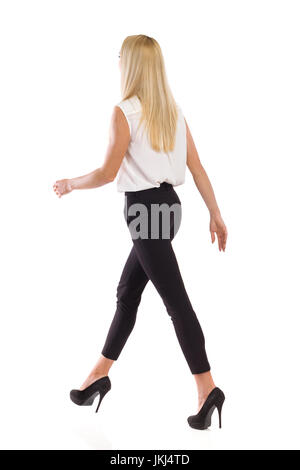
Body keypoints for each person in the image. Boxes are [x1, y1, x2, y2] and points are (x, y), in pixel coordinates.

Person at [53, 35, 228, 430]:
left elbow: (107, 173)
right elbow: (197, 169)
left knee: (174, 301)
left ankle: (207, 388)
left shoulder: (125, 111)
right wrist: (214, 213)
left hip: (143, 210)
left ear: (130, 65)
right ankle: (99, 374)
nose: (118, 63)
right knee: (127, 292)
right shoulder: (172, 111)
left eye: (120, 58)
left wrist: (70, 184)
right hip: (169, 209)